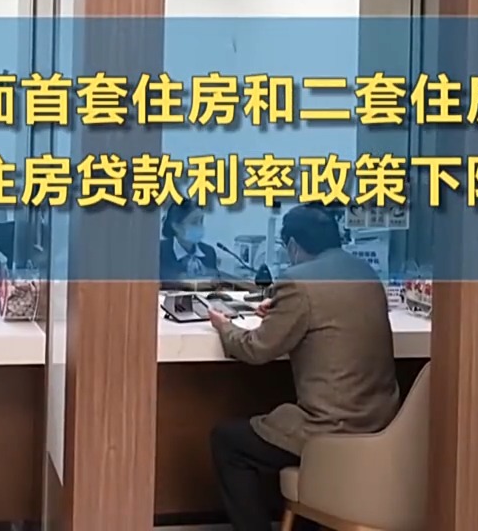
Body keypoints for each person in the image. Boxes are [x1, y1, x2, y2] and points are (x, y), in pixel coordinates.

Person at [206, 203, 399, 531]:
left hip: (331, 429)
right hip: (381, 427)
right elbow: (330, 316)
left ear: (293, 245)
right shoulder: (365, 273)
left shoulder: (297, 281)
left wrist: (224, 326)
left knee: (227, 442)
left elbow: (255, 349)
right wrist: (282, 310)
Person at [159, 199, 219, 282]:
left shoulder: (209, 252)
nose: (200, 226)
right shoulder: (160, 251)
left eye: (201, 221)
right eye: (194, 222)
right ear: (176, 226)